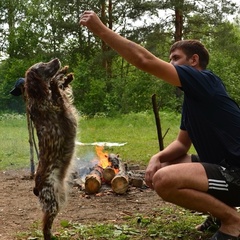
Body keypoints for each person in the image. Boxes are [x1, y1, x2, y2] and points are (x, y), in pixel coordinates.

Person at [79, 11, 240, 240]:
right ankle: (219, 214)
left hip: (236, 174)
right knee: (163, 166)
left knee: (164, 180)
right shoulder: (194, 98)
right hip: (224, 169)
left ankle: (233, 222)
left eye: (176, 58)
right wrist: (157, 157)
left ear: (194, 60)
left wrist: (101, 30)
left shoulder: (206, 81)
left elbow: (145, 61)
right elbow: (181, 145)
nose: (170, 63)